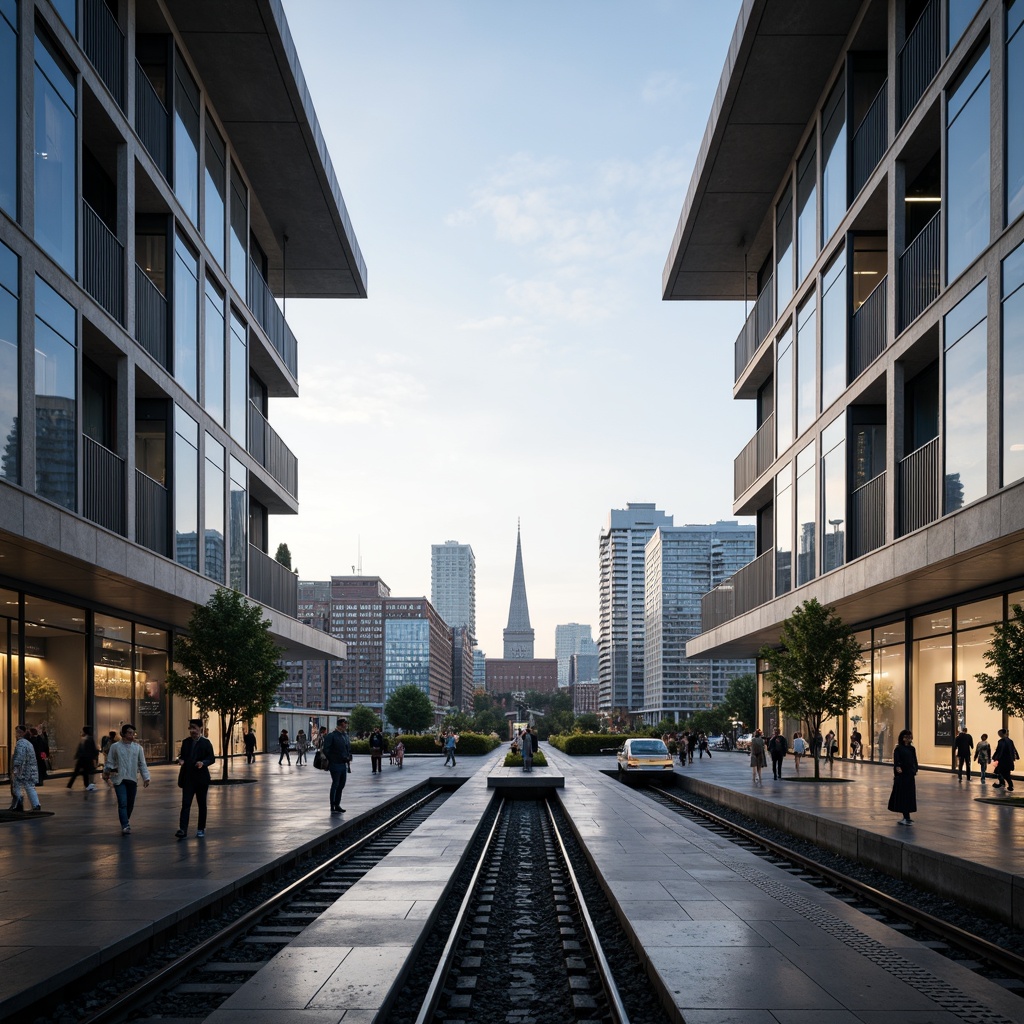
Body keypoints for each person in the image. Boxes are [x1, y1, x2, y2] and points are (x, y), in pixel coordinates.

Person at [102, 723, 150, 835]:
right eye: (129, 733)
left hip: (132, 778)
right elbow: (110, 761)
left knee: (130, 803)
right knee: (122, 802)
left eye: (133, 733)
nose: (131, 735)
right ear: (123, 733)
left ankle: (125, 820)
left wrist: (146, 777)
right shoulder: (115, 747)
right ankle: (125, 824)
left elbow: (142, 764)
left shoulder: (138, 748)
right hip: (119, 778)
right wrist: (106, 772)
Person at [174, 720, 216, 838]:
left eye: (194, 728)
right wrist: (181, 760)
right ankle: (183, 829)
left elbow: (212, 758)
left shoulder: (206, 743)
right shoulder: (186, 742)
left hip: (201, 778)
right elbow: (183, 756)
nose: (192, 731)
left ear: (200, 729)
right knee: (186, 804)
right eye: (190, 728)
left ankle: (201, 828)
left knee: (201, 804)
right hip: (188, 778)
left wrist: (203, 763)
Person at [887, 729, 918, 825]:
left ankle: (907, 816)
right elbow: (896, 762)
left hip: (910, 775)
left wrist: (915, 769)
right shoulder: (898, 749)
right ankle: (905, 816)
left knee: (909, 795)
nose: (908, 739)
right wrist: (898, 769)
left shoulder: (912, 749)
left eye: (909, 737)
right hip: (902, 776)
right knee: (903, 795)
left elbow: (914, 760)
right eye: (906, 737)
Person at [322, 717, 352, 813]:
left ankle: (337, 804)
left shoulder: (344, 735)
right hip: (335, 764)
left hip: (343, 764)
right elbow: (326, 749)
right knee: (336, 784)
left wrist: (348, 756)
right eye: (345, 723)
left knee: (341, 785)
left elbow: (347, 748)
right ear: (340, 724)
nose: (346, 725)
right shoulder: (332, 736)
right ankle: (332, 805)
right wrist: (333, 758)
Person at [11, 724, 42, 812]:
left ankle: (19, 803)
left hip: (23, 770)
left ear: (19, 733)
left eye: (16, 732)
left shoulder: (21, 743)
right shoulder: (28, 743)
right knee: (30, 786)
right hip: (31, 769)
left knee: (16, 785)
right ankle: (36, 805)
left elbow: (19, 757)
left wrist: (15, 767)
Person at [67, 726, 99, 792]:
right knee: (85, 773)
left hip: (83, 759)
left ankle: (71, 784)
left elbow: (82, 749)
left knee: (78, 772)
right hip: (85, 759)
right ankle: (86, 785)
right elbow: (92, 749)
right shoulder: (88, 738)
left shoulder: (85, 738)